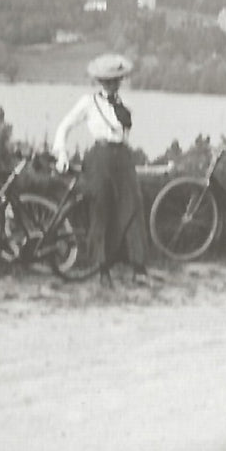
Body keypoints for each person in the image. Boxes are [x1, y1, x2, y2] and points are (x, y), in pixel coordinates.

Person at [52, 53, 152, 287]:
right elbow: (64, 126)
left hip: (123, 159)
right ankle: (102, 269)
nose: (111, 84)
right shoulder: (88, 102)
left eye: (116, 80)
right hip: (99, 159)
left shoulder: (124, 107)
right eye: (107, 81)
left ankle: (138, 267)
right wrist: (62, 154)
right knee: (100, 210)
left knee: (133, 206)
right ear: (100, 81)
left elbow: (125, 135)